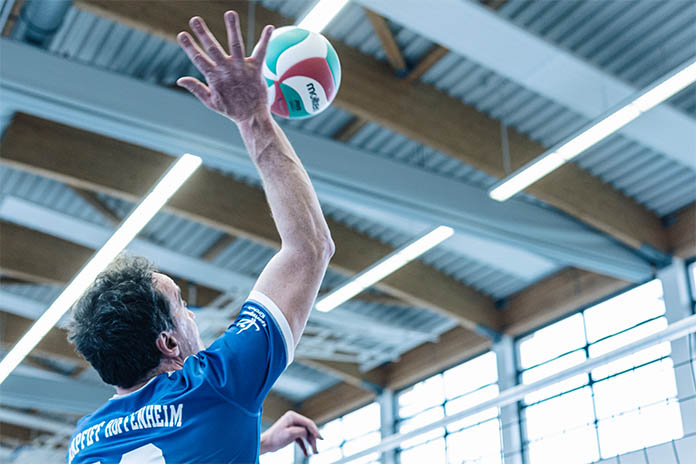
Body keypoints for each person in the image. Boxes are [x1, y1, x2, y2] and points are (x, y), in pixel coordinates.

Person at [66, 11, 334, 464]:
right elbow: (309, 249)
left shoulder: (85, 441)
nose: (192, 316)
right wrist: (253, 118)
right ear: (168, 344)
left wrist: (256, 440)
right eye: (181, 307)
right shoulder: (218, 384)